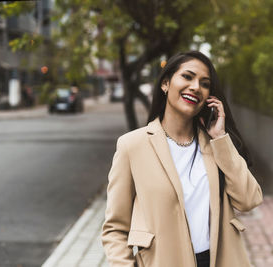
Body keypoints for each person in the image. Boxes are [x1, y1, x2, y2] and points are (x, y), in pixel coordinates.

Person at [101, 51, 263, 267]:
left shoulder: (216, 144)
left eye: (204, 84)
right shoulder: (132, 146)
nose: (196, 87)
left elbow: (249, 200)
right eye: (187, 77)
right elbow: (115, 228)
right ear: (165, 84)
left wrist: (221, 139)